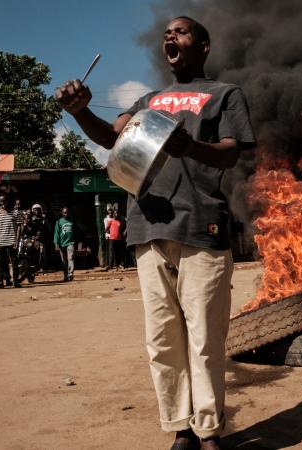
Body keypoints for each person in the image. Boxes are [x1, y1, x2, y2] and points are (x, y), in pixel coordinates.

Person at [56, 16, 255, 449]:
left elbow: (230, 155)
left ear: (203, 46)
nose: (171, 35)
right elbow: (111, 138)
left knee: (204, 339)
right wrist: (80, 111)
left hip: (202, 225)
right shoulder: (147, 101)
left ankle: (209, 431)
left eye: (182, 31)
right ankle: (180, 428)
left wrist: (190, 147)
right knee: (162, 339)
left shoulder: (224, 94)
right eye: (168, 32)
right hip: (146, 228)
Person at [0, 194, 21, 288]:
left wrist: (17, 240)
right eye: (1, 201)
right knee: (0, 262)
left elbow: (19, 227)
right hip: (1, 241)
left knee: (14, 261)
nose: (3, 203)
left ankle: (16, 281)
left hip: (12, 241)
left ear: (8, 201)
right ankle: (0, 282)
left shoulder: (15, 212)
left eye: (4, 201)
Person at [53, 207, 80, 281]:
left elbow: (76, 232)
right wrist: (56, 243)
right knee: (64, 261)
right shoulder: (58, 222)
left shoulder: (72, 221)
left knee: (70, 258)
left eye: (67, 212)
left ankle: (70, 273)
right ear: (62, 213)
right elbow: (56, 233)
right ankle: (65, 275)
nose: (66, 214)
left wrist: (76, 242)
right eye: (64, 212)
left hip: (71, 243)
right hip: (62, 244)